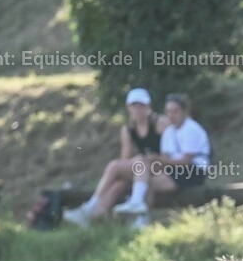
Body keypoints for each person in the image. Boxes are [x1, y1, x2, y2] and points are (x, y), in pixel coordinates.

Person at [63, 87, 170, 228]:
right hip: (142, 169)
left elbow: (169, 153)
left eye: (141, 105)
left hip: (161, 167)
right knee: (119, 183)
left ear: (148, 106)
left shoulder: (160, 123)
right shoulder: (128, 129)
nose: (138, 109)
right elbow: (125, 159)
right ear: (129, 107)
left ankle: (91, 206)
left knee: (122, 164)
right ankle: (94, 215)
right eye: (134, 105)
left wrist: (148, 159)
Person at [112, 93, 211, 224]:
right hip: (175, 169)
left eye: (176, 111)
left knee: (148, 183)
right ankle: (139, 216)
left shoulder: (191, 129)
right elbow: (166, 159)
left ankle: (141, 217)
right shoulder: (169, 132)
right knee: (146, 176)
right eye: (169, 111)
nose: (172, 115)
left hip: (194, 170)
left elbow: (186, 160)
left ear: (184, 111)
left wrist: (157, 159)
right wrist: (152, 162)